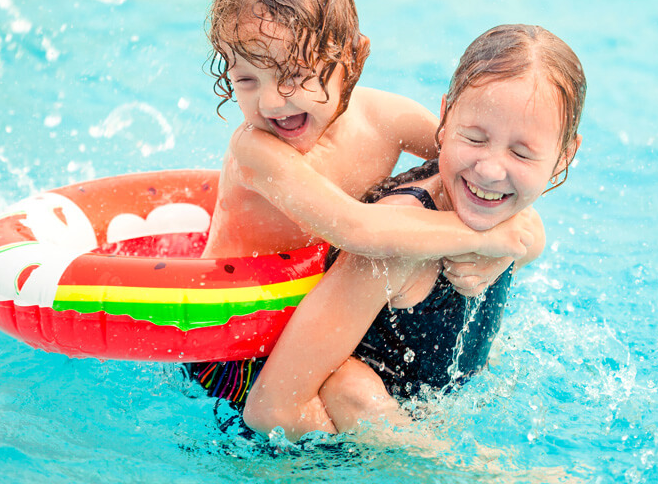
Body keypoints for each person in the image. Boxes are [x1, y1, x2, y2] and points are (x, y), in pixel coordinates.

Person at [188, 0, 536, 405]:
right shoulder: (255, 151)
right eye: (247, 80)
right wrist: (485, 238)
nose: (271, 102)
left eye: (294, 74)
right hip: (234, 343)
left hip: (321, 330)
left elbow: (475, 168)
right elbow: (356, 230)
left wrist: (516, 239)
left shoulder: (384, 119)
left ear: (352, 57)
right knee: (335, 405)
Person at [242, 24, 587, 440]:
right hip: (349, 440)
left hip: (434, 408)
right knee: (350, 388)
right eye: (474, 138)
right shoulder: (393, 251)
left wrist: (510, 248)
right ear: (445, 119)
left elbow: (530, 239)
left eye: (521, 153)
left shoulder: (509, 220)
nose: (491, 170)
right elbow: (271, 409)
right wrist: (422, 458)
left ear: (563, 155)